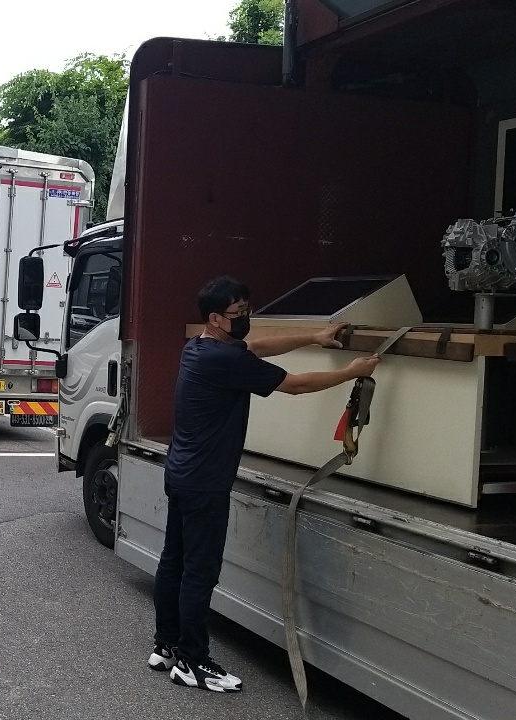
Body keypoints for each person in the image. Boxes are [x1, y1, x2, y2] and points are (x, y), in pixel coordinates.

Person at [148, 276, 380, 694]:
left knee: (174, 562)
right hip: (205, 483)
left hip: (181, 473)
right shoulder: (225, 360)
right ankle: (192, 661)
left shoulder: (199, 348)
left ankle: (166, 645)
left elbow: (258, 346)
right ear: (216, 318)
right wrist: (351, 373)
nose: (246, 318)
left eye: (248, 310)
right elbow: (294, 385)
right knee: (200, 573)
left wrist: (315, 337)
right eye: (239, 313)